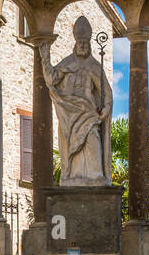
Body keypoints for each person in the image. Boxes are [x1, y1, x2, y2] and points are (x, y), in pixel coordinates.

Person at [37, 15, 112, 183]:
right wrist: (45, 58)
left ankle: (95, 176)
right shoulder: (67, 62)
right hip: (69, 113)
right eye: (80, 42)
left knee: (92, 139)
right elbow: (51, 79)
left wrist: (106, 108)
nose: (83, 45)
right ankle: (72, 177)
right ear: (75, 44)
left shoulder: (94, 66)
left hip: (88, 113)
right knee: (70, 146)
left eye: (85, 43)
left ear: (90, 45)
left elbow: (106, 92)